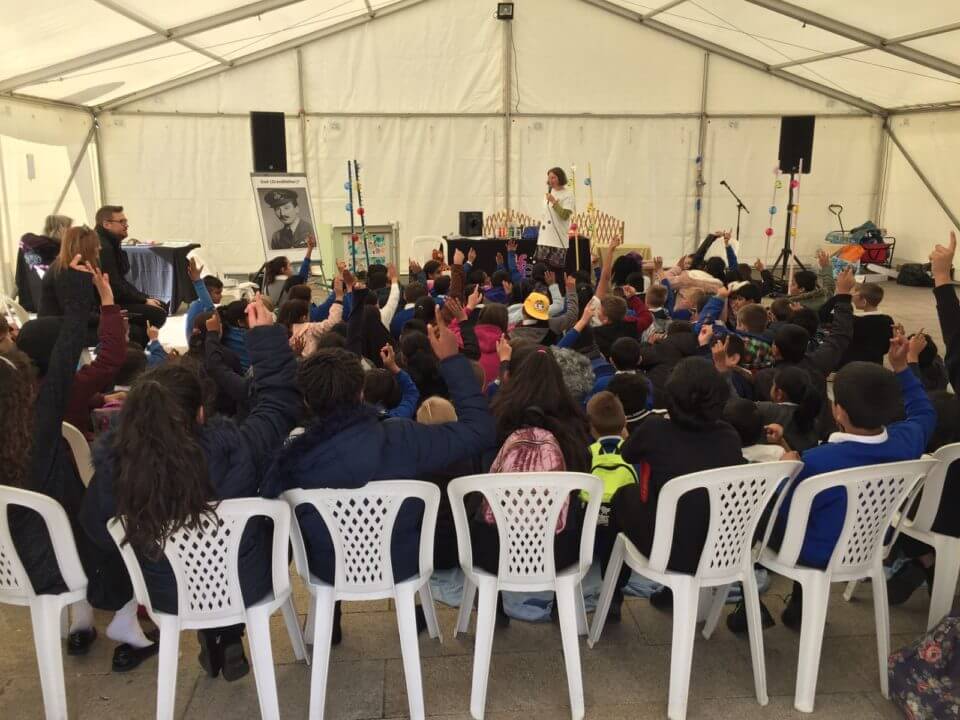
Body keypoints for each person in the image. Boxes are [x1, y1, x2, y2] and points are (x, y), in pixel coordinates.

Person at [81, 294, 301, 678]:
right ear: (201, 412)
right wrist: (265, 339)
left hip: (170, 592)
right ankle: (229, 631)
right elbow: (277, 405)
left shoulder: (117, 471)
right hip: (246, 582)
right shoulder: (238, 449)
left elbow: (97, 532)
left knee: (186, 555)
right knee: (270, 522)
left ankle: (214, 632)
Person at [261, 307, 496, 643]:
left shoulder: (291, 459)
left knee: (326, 532)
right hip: (402, 562)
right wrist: (452, 362)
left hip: (329, 569)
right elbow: (479, 432)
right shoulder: (404, 436)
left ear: (309, 402)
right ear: (361, 393)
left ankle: (330, 616)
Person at [737, 333, 936, 633]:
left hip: (810, 551)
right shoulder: (909, 440)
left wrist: (784, 469)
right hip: (871, 545)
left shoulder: (816, 462)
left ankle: (747, 602)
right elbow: (923, 411)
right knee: (819, 515)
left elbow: (780, 508)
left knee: (748, 510)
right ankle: (799, 608)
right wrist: (903, 369)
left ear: (838, 410)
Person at [612, 357, 745, 608]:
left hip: (667, 549)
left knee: (622, 495)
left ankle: (613, 596)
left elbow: (627, 454)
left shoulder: (654, 430)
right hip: (723, 546)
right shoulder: (728, 436)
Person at [95, 205, 167, 341]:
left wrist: (144, 298)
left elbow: (121, 281)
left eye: (126, 221)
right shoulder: (104, 248)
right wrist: (143, 300)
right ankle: (134, 349)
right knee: (157, 313)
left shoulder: (111, 243)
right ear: (106, 224)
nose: (126, 225)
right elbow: (115, 286)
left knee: (158, 305)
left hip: (115, 298)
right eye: (122, 222)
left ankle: (137, 349)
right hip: (104, 304)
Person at [17, 214, 72, 311]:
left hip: (30, 303)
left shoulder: (28, 246)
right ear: (61, 229)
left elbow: (20, 276)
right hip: (52, 307)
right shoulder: (55, 251)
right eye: (69, 228)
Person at [841, 282, 893, 366]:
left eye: (855, 295)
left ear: (863, 301)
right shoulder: (888, 320)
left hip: (851, 365)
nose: (853, 298)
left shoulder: (854, 321)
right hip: (876, 364)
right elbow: (886, 347)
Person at [536, 167, 576, 270]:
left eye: (553, 177)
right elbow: (545, 214)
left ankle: (555, 287)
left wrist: (554, 202)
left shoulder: (568, 194)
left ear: (560, 178)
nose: (550, 180)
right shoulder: (549, 193)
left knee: (555, 271)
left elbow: (564, 215)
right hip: (544, 239)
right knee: (541, 270)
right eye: (549, 178)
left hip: (557, 240)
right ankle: (541, 287)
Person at [184, 257, 223, 343]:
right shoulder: (205, 306)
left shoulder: (197, 303)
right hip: (200, 345)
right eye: (217, 293)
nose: (221, 296)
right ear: (206, 293)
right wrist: (197, 281)